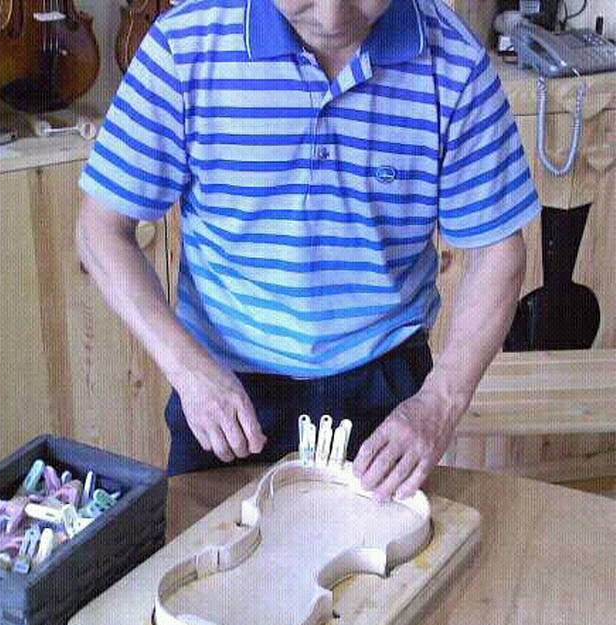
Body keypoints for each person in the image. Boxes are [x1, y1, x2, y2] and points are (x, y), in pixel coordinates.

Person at [76, 0, 540, 501]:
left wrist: (440, 402)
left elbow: (498, 251)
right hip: (225, 389)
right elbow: (101, 230)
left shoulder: (456, 64)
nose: (333, 15)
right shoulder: (184, 45)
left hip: (383, 389)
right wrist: (186, 368)